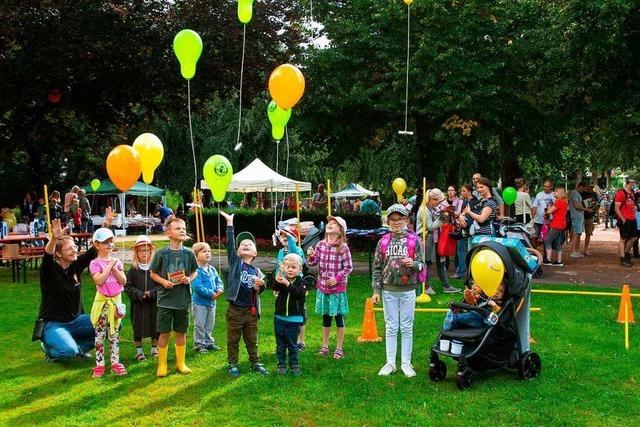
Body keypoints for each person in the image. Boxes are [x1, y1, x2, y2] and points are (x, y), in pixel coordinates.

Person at [38, 211, 111, 362]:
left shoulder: (75, 266)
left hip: (77, 321)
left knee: (110, 322)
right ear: (58, 254)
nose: (74, 250)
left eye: (75, 247)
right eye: (69, 248)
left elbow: (93, 251)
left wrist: (105, 226)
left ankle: (78, 348)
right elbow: (46, 257)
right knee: (68, 351)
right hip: (54, 324)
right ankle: (50, 349)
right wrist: (53, 239)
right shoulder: (49, 270)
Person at [371, 204, 425, 378]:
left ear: (406, 220)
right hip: (388, 290)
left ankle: (406, 363)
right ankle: (390, 363)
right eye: (393, 219)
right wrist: (376, 290)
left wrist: (414, 264)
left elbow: (423, 265)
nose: (396, 222)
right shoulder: (383, 241)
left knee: (407, 327)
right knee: (391, 326)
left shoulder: (414, 240)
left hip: (408, 289)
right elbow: (377, 267)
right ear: (388, 221)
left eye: (400, 219)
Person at [219, 210, 269, 378]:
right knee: (233, 339)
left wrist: (260, 286)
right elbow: (230, 245)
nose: (246, 245)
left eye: (250, 244)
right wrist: (230, 224)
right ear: (238, 252)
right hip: (235, 310)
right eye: (243, 245)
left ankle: (255, 362)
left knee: (251, 339)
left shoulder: (257, 270)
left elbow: (261, 289)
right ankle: (232, 363)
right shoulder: (236, 263)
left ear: (254, 253)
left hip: (251, 311)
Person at [149, 217, 198, 377]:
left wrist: (189, 279)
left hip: (183, 300)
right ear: (168, 233)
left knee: (181, 332)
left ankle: (181, 363)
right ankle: (161, 365)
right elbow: (153, 273)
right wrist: (164, 282)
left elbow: (194, 271)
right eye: (177, 228)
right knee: (163, 333)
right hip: (165, 301)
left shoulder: (189, 253)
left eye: (183, 228)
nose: (182, 230)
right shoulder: (161, 253)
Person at [307, 215, 353, 360]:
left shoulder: (343, 247)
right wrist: (311, 255)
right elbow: (313, 263)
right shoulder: (320, 245)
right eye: (329, 223)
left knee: (339, 318)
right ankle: (325, 346)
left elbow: (348, 268)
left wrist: (337, 278)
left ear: (340, 231)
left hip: (337, 290)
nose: (330, 224)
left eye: (334, 223)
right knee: (326, 317)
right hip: (324, 288)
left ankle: (339, 348)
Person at [88, 227, 127, 378]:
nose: (109, 245)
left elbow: (123, 281)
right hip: (102, 304)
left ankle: (115, 362)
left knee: (114, 334)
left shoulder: (117, 262)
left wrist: (115, 268)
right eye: (105, 242)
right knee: (99, 335)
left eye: (111, 241)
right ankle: (100, 364)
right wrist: (110, 266)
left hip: (115, 304)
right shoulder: (94, 263)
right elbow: (99, 280)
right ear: (97, 245)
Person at [416, 188, 461, 295]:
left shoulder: (434, 209)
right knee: (427, 263)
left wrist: (445, 214)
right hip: (426, 240)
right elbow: (430, 227)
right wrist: (442, 219)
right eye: (438, 201)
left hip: (437, 240)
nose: (439, 203)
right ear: (432, 199)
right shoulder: (423, 211)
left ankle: (446, 286)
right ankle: (425, 287)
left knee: (441, 262)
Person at [124, 235, 160, 362]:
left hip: (154, 303)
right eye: (141, 251)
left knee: (155, 325)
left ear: (151, 252)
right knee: (138, 325)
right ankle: (139, 351)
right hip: (139, 304)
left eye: (146, 250)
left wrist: (152, 293)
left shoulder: (156, 268)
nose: (144, 253)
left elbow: (161, 285)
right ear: (136, 253)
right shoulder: (133, 270)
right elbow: (128, 287)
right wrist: (139, 294)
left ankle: (154, 349)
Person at [272, 227, 307, 350]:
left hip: (295, 284)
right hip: (283, 283)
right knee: (284, 308)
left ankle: (300, 341)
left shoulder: (296, 249)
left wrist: (289, 237)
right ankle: (287, 340)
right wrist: (278, 282)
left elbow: (293, 252)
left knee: (299, 313)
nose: (285, 238)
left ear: (295, 239)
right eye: (283, 237)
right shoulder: (281, 251)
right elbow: (279, 267)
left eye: (289, 237)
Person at [272, 253, 307, 376]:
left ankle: (294, 365)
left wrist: (287, 283)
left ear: (299, 269)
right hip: (279, 318)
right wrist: (279, 276)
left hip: (294, 319)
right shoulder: (282, 280)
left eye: (293, 267)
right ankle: (281, 365)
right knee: (280, 344)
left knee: (292, 344)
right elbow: (274, 287)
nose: (290, 270)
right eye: (287, 267)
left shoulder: (301, 282)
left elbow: (298, 294)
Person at [191, 242, 224, 353]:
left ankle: (209, 342)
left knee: (210, 324)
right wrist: (211, 294)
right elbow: (197, 287)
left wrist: (219, 289)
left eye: (209, 251)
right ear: (196, 256)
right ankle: (199, 345)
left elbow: (218, 281)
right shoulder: (196, 271)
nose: (207, 253)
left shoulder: (212, 269)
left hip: (211, 303)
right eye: (204, 251)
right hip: (200, 303)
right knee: (200, 324)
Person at [614, 177, 638, 267]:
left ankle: (626, 253)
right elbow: (616, 207)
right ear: (629, 183)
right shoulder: (621, 193)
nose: (634, 184)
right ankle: (623, 258)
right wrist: (622, 218)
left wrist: (635, 207)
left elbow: (633, 204)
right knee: (623, 239)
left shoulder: (632, 193)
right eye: (633, 182)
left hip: (632, 218)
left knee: (634, 238)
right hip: (625, 219)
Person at [542, 188, 568, 266]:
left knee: (547, 240)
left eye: (556, 191)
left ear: (559, 193)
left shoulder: (559, 201)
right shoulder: (564, 202)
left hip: (556, 224)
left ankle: (548, 260)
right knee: (557, 242)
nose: (554, 193)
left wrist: (546, 211)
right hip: (562, 224)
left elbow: (550, 211)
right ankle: (559, 261)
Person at [531, 179, 556, 245]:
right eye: (544, 186)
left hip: (549, 221)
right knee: (534, 237)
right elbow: (534, 207)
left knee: (546, 239)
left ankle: (546, 255)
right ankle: (534, 253)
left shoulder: (555, 195)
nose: (545, 188)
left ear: (551, 187)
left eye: (547, 186)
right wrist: (532, 218)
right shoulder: (539, 194)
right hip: (538, 220)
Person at [568, 182, 587, 258]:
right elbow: (576, 205)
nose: (584, 190)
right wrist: (586, 209)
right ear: (581, 187)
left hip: (579, 216)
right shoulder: (575, 193)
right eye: (584, 188)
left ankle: (577, 250)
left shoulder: (577, 194)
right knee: (576, 234)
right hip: (576, 216)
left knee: (579, 234)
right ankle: (573, 251)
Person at [580, 184, 598, 256]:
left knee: (588, 233)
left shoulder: (594, 194)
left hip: (589, 216)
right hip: (581, 215)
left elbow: (595, 204)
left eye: (592, 187)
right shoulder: (580, 194)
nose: (591, 188)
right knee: (578, 233)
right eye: (589, 186)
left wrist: (594, 210)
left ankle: (585, 249)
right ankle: (577, 249)